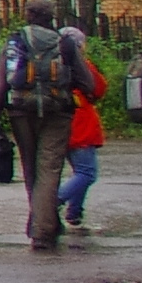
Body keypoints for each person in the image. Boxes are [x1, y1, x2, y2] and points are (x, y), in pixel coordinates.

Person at [0, 0, 93, 252]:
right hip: (57, 112)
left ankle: (41, 222)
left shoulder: (15, 41)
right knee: (49, 169)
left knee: (31, 168)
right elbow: (88, 84)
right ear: (52, 16)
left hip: (20, 110)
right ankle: (43, 231)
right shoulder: (65, 43)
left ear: (27, 15)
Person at [57, 33, 106, 235]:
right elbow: (99, 88)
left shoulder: (53, 66)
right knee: (87, 172)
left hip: (62, 125)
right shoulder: (82, 65)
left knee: (80, 172)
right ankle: (53, 201)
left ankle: (74, 214)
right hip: (81, 125)